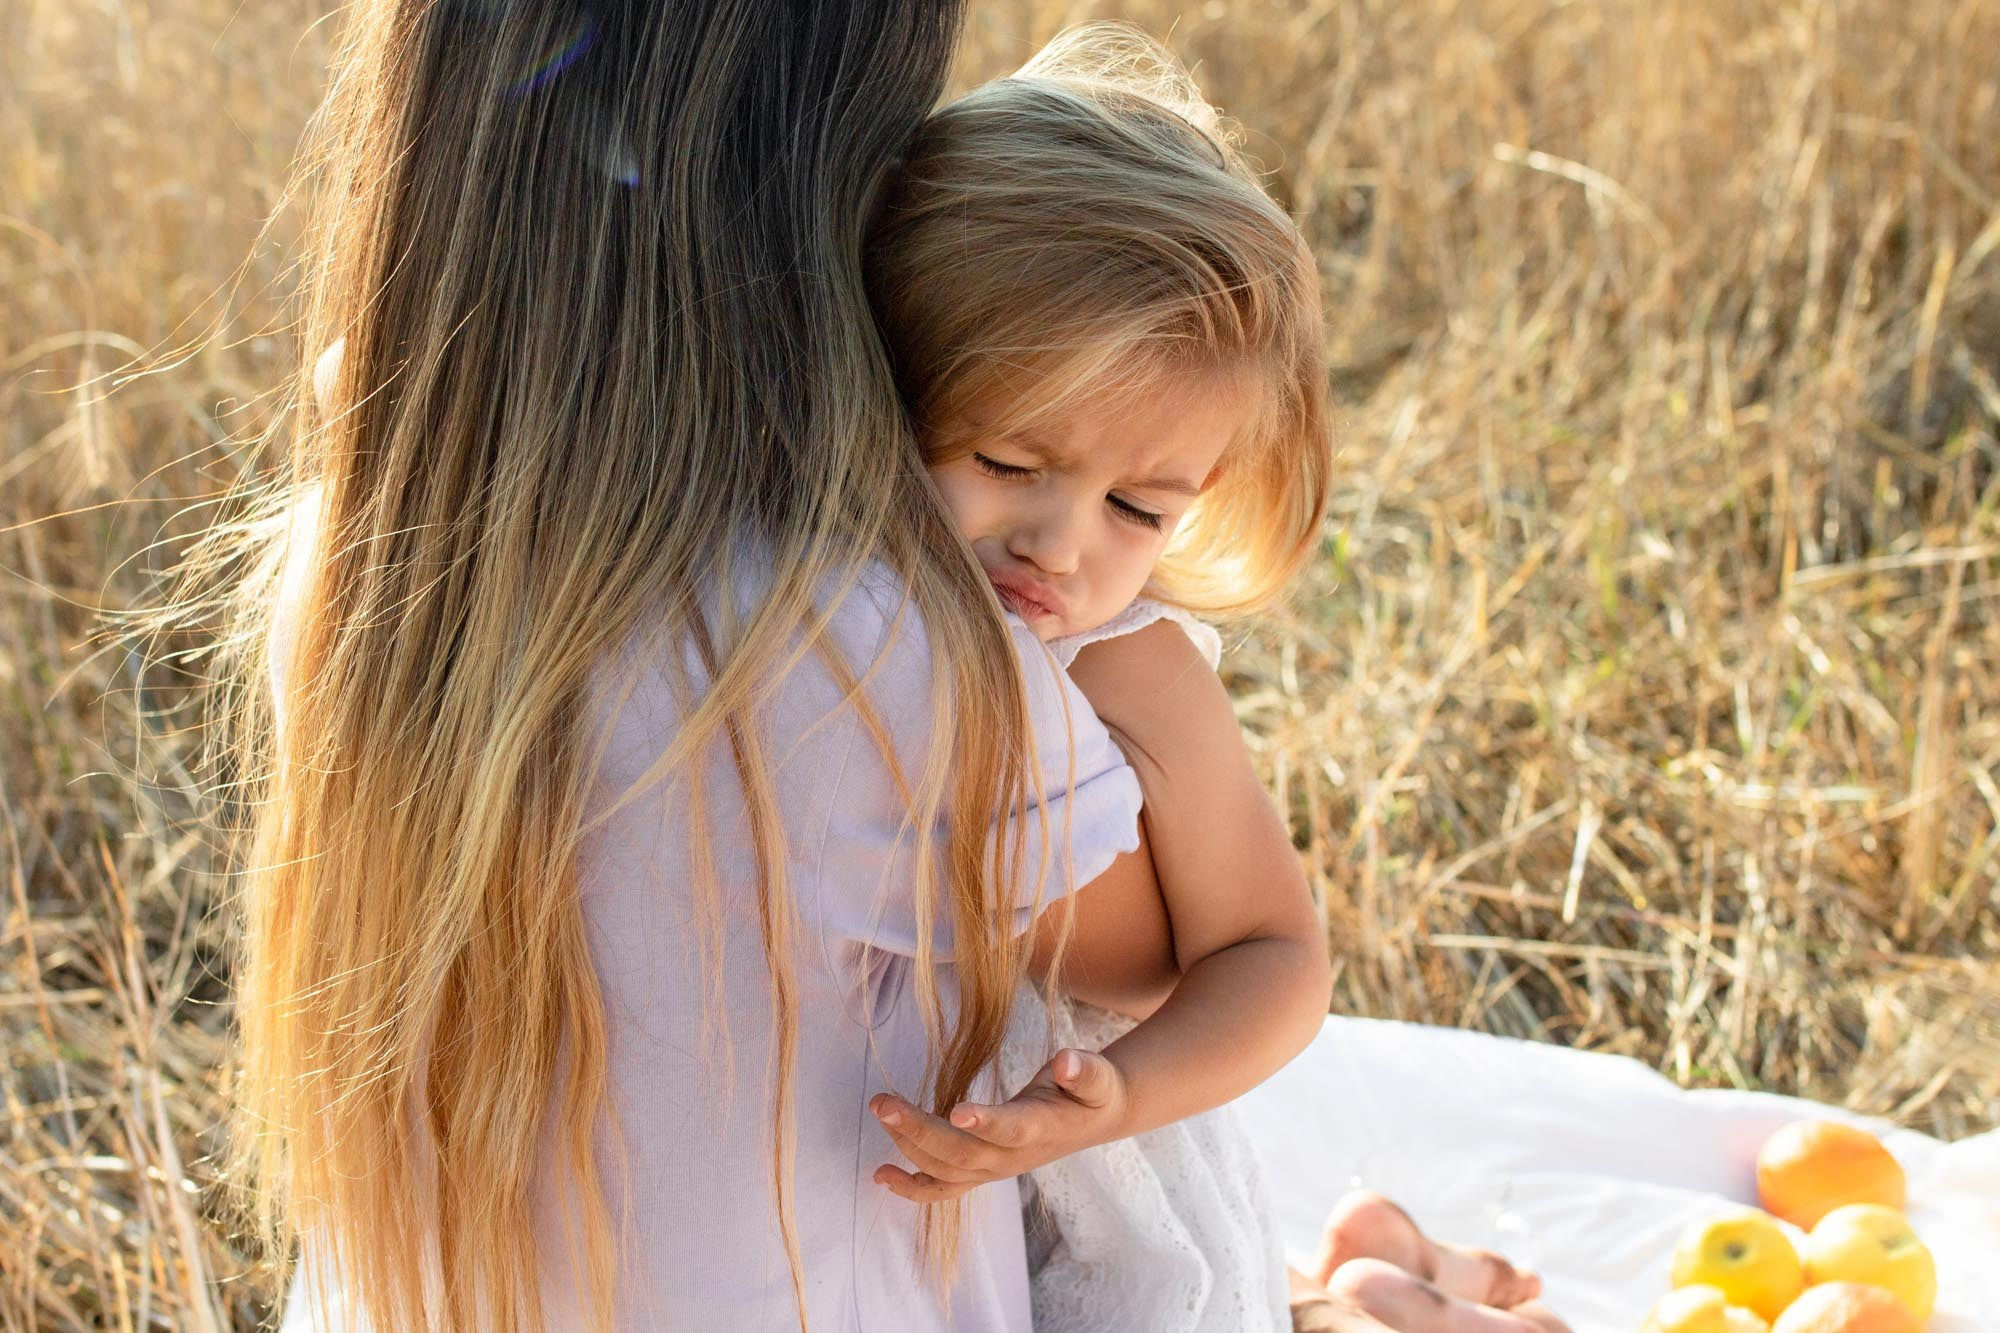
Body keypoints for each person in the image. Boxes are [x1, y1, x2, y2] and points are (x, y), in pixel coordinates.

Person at [226, 2, 1181, 1330]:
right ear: (835, 190)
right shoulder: (859, 645)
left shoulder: (353, 557)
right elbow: (1150, 956)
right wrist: (1139, 647)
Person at [854, 28, 1572, 1333]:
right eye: (1008, 459)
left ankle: (1390, 1296)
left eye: (1138, 505)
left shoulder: (1126, 665)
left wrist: (1121, 1093)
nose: (1061, 544)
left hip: (1096, 1168)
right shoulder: (827, 605)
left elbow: (1276, 952)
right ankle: (1371, 1276)